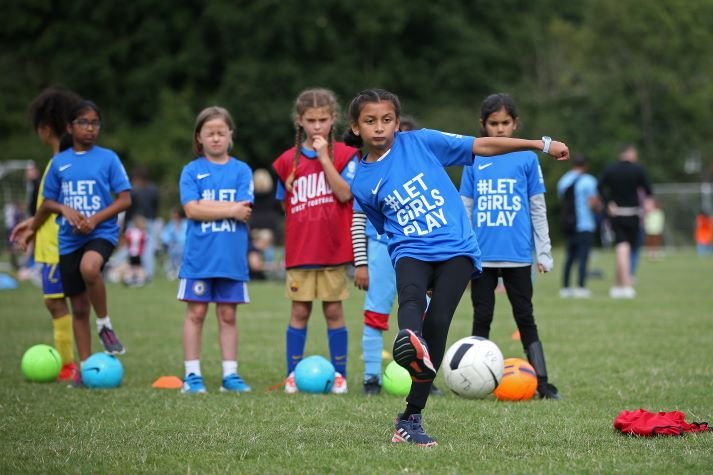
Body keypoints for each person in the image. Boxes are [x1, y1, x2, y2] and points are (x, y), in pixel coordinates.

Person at [347, 88, 568, 446]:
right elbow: (386, 227)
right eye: (370, 121)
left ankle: (410, 417)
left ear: (397, 122)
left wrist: (540, 145)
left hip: (458, 249)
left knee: (437, 326)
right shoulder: (362, 182)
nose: (379, 128)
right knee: (412, 300)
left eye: (386, 120)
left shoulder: (421, 141)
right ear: (355, 127)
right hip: (411, 249)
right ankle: (410, 342)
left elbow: (483, 147)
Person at [460, 93, 560, 401]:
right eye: (494, 123)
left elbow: (537, 208)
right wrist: (462, 252)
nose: (500, 129)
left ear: (515, 124)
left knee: (525, 317)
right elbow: (465, 209)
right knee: (482, 316)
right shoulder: (473, 157)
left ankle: (542, 382)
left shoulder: (527, 158)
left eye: (505, 122)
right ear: (483, 125)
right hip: (482, 258)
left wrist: (543, 251)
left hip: (518, 256)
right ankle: (473, 380)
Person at [24, 99, 132, 384]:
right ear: (70, 127)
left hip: (101, 232)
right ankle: (85, 370)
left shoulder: (108, 158)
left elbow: (125, 199)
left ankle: (105, 325)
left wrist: (95, 219)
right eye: (83, 122)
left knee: (90, 268)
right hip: (69, 239)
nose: (90, 128)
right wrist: (64, 210)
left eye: (95, 123)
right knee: (78, 307)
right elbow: (47, 202)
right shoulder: (59, 162)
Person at [272, 88, 359, 394]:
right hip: (301, 251)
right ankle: (292, 375)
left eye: (323, 119)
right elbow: (285, 206)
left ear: (333, 119)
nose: (318, 126)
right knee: (299, 312)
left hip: (333, 251)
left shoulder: (346, 154)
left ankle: (340, 375)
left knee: (334, 311)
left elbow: (345, 193)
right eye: (311, 120)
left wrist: (324, 158)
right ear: (300, 121)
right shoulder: (286, 161)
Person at [351, 115, 444, 396]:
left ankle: (424, 377)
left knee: (423, 319)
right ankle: (371, 379)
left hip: (417, 254)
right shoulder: (368, 174)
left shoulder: (423, 175)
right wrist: (361, 263)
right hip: (381, 253)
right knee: (375, 314)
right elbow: (357, 222)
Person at [177, 106, 253, 394]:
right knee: (196, 313)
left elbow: (244, 210)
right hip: (199, 260)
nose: (216, 138)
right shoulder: (192, 171)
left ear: (230, 135)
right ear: (199, 137)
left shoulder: (241, 170)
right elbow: (191, 209)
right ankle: (192, 375)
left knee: (228, 316)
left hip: (231, 260)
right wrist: (230, 209)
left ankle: (230, 375)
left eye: (222, 132)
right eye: (210, 133)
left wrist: (228, 209)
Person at [9, 87, 82, 382]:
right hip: (55, 243)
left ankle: (69, 365)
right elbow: (47, 205)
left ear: (46, 127)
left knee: (56, 302)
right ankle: (76, 361)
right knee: (67, 302)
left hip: (57, 245)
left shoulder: (61, 162)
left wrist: (32, 227)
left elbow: (53, 207)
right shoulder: (65, 161)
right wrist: (31, 223)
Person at [598, 145, 652, 298]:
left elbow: (599, 186)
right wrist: (647, 204)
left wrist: (608, 202)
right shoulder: (638, 169)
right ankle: (627, 285)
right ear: (630, 154)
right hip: (633, 214)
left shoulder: (610, 169)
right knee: (625, 249)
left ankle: (616, 286)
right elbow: (647, 189)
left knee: (623, 249)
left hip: (616, 214)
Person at [557, 153, 600, 298]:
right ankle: (581, 287)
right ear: (585, 166)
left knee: (569, 257)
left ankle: (565, 287)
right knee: (583, 257)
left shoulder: (564, 180)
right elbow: (593, 203)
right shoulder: (589, 181)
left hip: (569, 224)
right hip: (585, 223)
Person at [125, 166, 160, 282]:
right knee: (148, 251)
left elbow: (129, 209)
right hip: (150, 221)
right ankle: (148, 274)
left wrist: (126, 225)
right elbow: (156, 206)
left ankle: (132, 274)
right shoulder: (153, 189)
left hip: (134, 222)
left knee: (132, 250)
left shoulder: (133, 190)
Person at [160, 207, 187, 279]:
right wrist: (166, 242)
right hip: (173, 246)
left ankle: (178, 269)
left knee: (179, 249)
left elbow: (184, 237)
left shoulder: (186, 223)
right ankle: (173, 269)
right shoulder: (171, 224)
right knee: (173, 251)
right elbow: (165, 235)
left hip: (183, 245)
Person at [123, 214, 147, 286]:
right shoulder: (141, 233)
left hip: (131, 253)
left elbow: (127, 238)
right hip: (138, 253)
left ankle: (128, 278)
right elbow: (144, 240)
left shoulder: (130, 231)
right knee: (139, 267)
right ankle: (140, 279)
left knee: (131, 266)